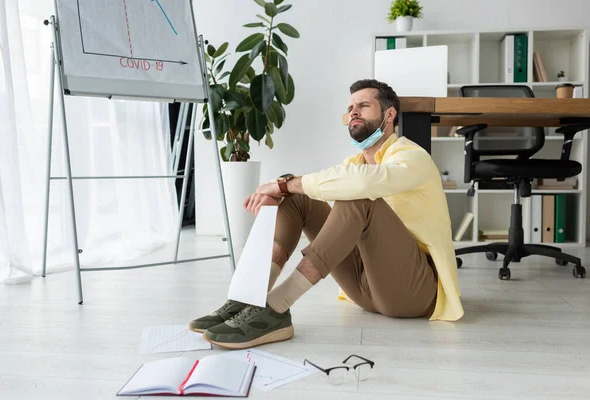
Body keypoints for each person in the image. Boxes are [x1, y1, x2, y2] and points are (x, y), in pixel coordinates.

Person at [189, 79, 464, 350]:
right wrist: (282, 190)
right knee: (299, 199)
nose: (353, 112)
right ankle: (249, 297)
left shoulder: (413, 156)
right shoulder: (352, 165)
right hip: (364, 289)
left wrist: (283, 183)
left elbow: (363, 184)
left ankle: (276, 308)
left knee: (357, 197)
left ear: (389, 114)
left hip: (413, 292)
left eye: (364, 105)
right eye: (351, 107)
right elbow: (329, 184)